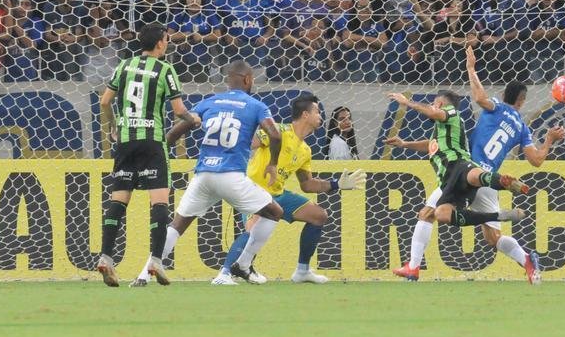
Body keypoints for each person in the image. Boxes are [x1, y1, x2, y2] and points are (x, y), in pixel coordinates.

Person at [393, 46, 562, 282]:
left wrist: (471, 68)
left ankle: (413, 267)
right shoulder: (523, 129)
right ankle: (526, 259)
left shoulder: (497, 107)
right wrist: (550, 140)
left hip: (464, 169)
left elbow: (479, 97)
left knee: (428, 213)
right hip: (487, 178)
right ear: (522, 101)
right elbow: (536, 160)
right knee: (493, 237)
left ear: (505, 96)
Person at [140, 61, 284, 284]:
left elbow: (175, 131)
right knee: (274, 212)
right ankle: (243, 264)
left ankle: (143, 275)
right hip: (231, 175)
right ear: (248, 80)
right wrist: (272, 163)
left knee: (178, 224)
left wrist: (159, 154)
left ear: (228, 80)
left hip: (203, 174)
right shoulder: (255, 105)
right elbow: (274, 135)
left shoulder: (209, 102)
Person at [214, 93, 365, 285]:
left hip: (278, 194)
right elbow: (247, 144)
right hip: (254, 191)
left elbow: (307, 185)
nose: (321, 116)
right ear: (305, 115)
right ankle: (224, 273)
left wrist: (337, 184)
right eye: (317, 111)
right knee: (254, 228)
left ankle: (302, 271)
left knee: (319, 215)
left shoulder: (305, 150)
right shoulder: (277, 131)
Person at [95, 23, 191, 287]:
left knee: (118, 201)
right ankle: (156, 261)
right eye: (167, 39)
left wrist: (113, 126)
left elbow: (104, 102)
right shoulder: (165, 69)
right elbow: (178, 109)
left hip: (126, 142)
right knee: (159, 202)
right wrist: (192, 118)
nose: (168, 43)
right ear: (160, 43)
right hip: (152, 142)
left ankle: (105, 257)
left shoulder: (124, 66)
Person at [384, 86, 533, 234]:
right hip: (448, 181)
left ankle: (503, 182)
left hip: (459, 164)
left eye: (434, 103)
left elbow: (433, 112)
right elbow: (431, 145)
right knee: (442, 214)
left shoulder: (452, 113)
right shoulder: (441, 130)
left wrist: (407, 102)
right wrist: (404, 144)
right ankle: (498, 216)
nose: (432, 106)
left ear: (440, 104)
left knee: (470, 178)